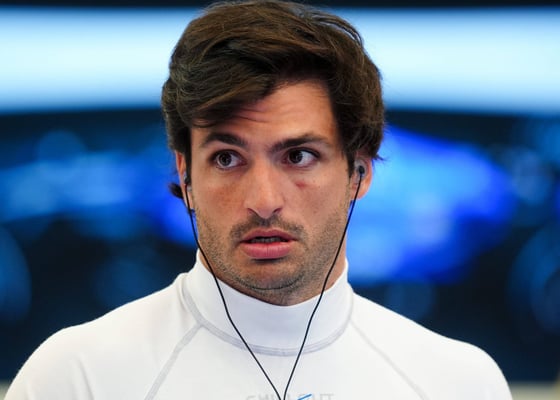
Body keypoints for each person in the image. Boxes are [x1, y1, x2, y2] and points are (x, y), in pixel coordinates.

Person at [6, 1, 512, 399]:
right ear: (184, 174)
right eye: (227, 158)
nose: (264, 200)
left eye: (298, 156)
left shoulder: (458, 384)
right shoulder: (75, 377)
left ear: (359, 172)